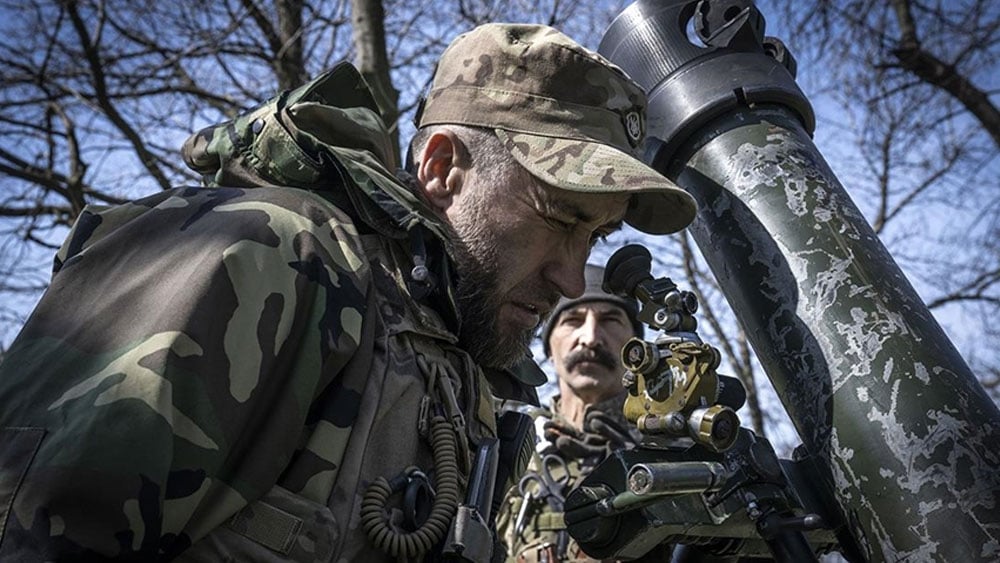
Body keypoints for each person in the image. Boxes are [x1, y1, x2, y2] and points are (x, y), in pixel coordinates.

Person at [0, 23, 695, 561]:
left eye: (594, 238)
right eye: (560, 217)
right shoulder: (269, 254)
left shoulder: (453, 378)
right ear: (442, 167)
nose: (572, 279)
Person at [497, 264, 659, 562]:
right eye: (573, 320)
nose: (591, 337)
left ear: (637, 350)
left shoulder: (669, 453)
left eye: (610, 320)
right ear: (548, 346)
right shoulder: (505, 446)